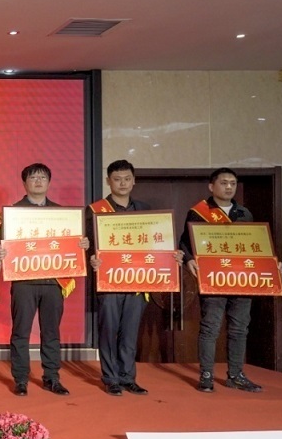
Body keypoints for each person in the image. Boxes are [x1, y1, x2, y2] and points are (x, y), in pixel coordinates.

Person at [87, 159, 182, 396]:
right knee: (109, 331)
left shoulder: (145, 210)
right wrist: (91, 258)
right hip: (109, 281)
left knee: (130, 332)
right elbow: (86, 245)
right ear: (108, 181)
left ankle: (128, 377)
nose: (122, 183)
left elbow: (157, 245)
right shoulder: (95, 210)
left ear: (134, 181)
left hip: (138, 281)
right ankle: (111, 378)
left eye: (127, 179)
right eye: (117, 179)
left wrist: (172, 256)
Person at [1, 163, 89, 397]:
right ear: (24, 183)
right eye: (33, 177)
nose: (38, 181)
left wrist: (82, 244)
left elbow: (73, 245)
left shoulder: (61, 214)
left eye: (42, 177)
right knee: (21, 332)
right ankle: (21, 379)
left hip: (53, 282)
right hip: (24, 282)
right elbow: (1, 243)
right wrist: (1, 250)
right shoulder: (14, 213)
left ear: (49, 182)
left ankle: (52, 377)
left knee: (51, 333)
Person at [180, 167, 264, 393]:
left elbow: (256, 246)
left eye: (232, 183)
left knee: (239, 328)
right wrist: (189, 260)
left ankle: (235, 375)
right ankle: (206, 375)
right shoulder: (199, 213)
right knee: (210, 327)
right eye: (224, 183)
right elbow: (185, 242)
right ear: (212, 186)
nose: (229, 187)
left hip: (241, 280)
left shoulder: (244, 214)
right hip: (213, 279)